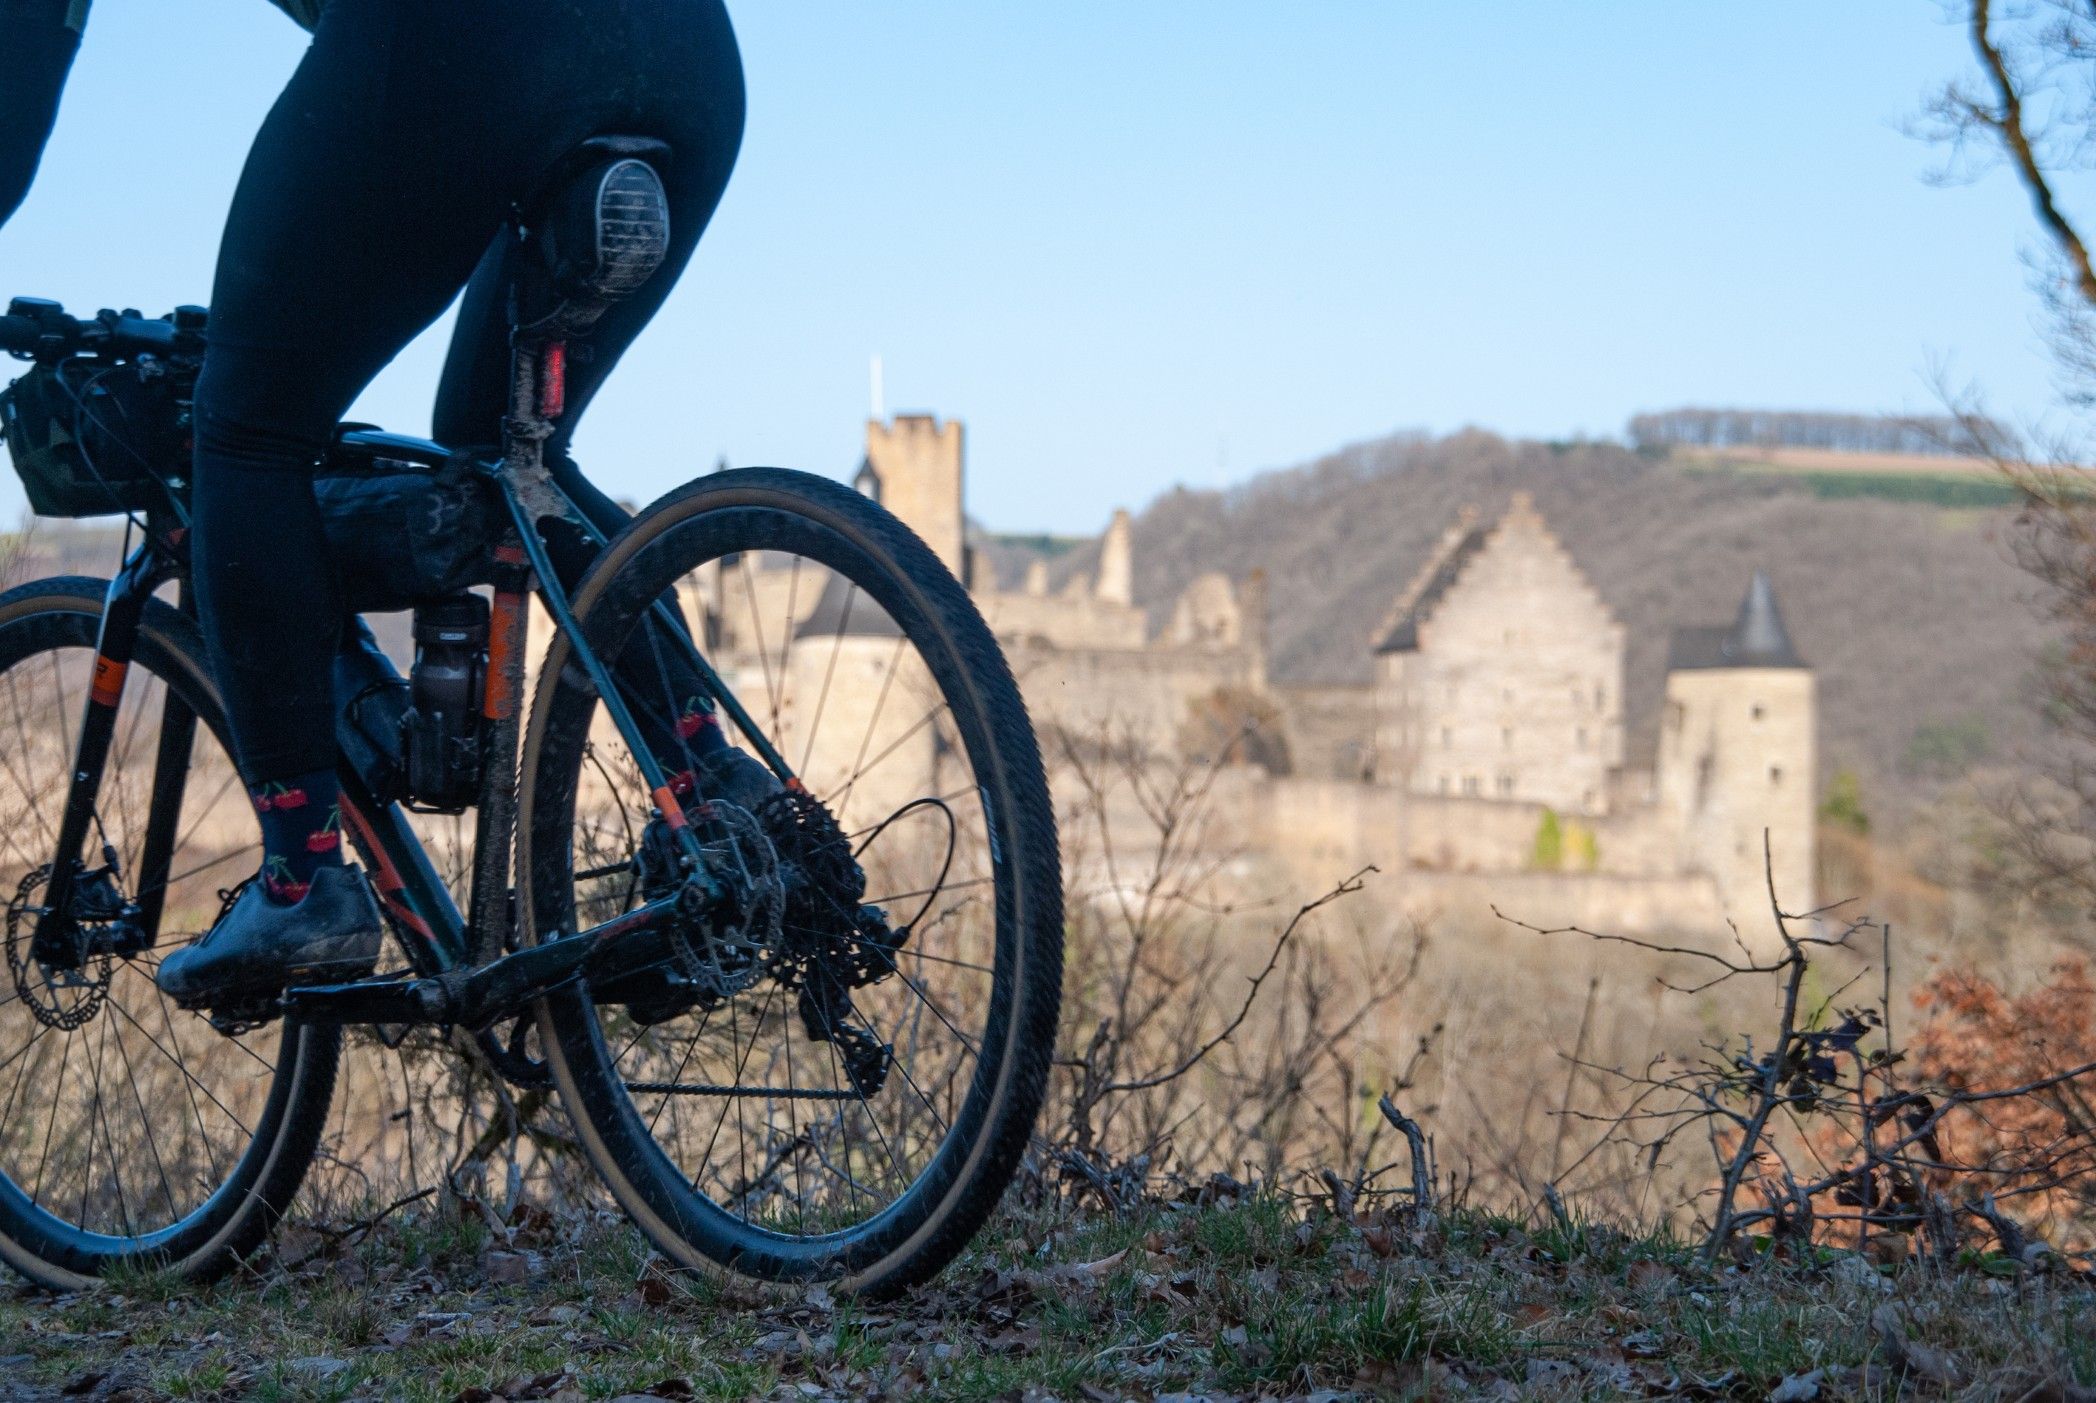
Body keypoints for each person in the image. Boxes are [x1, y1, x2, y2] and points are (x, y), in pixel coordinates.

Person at [0, 0, 755, 1007]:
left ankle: (303, 872)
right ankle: (717, 789)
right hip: (686, 49)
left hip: (474, 36)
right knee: (503, 447)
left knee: (244, 431)